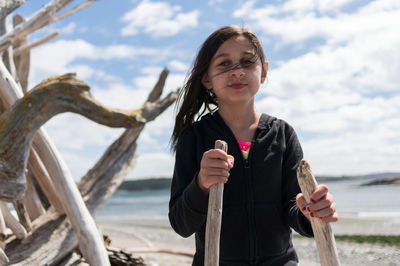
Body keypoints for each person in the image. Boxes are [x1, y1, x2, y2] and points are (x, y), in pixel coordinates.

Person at [168, 25, 338, 266]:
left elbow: (293, 209)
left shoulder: (283, 134)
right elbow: (180, 224)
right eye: (224, 64)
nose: (237, 72)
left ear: (264, 71)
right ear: (206, 78)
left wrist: (312, 211)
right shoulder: (194, 138)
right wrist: (201, 185)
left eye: (247, 62)